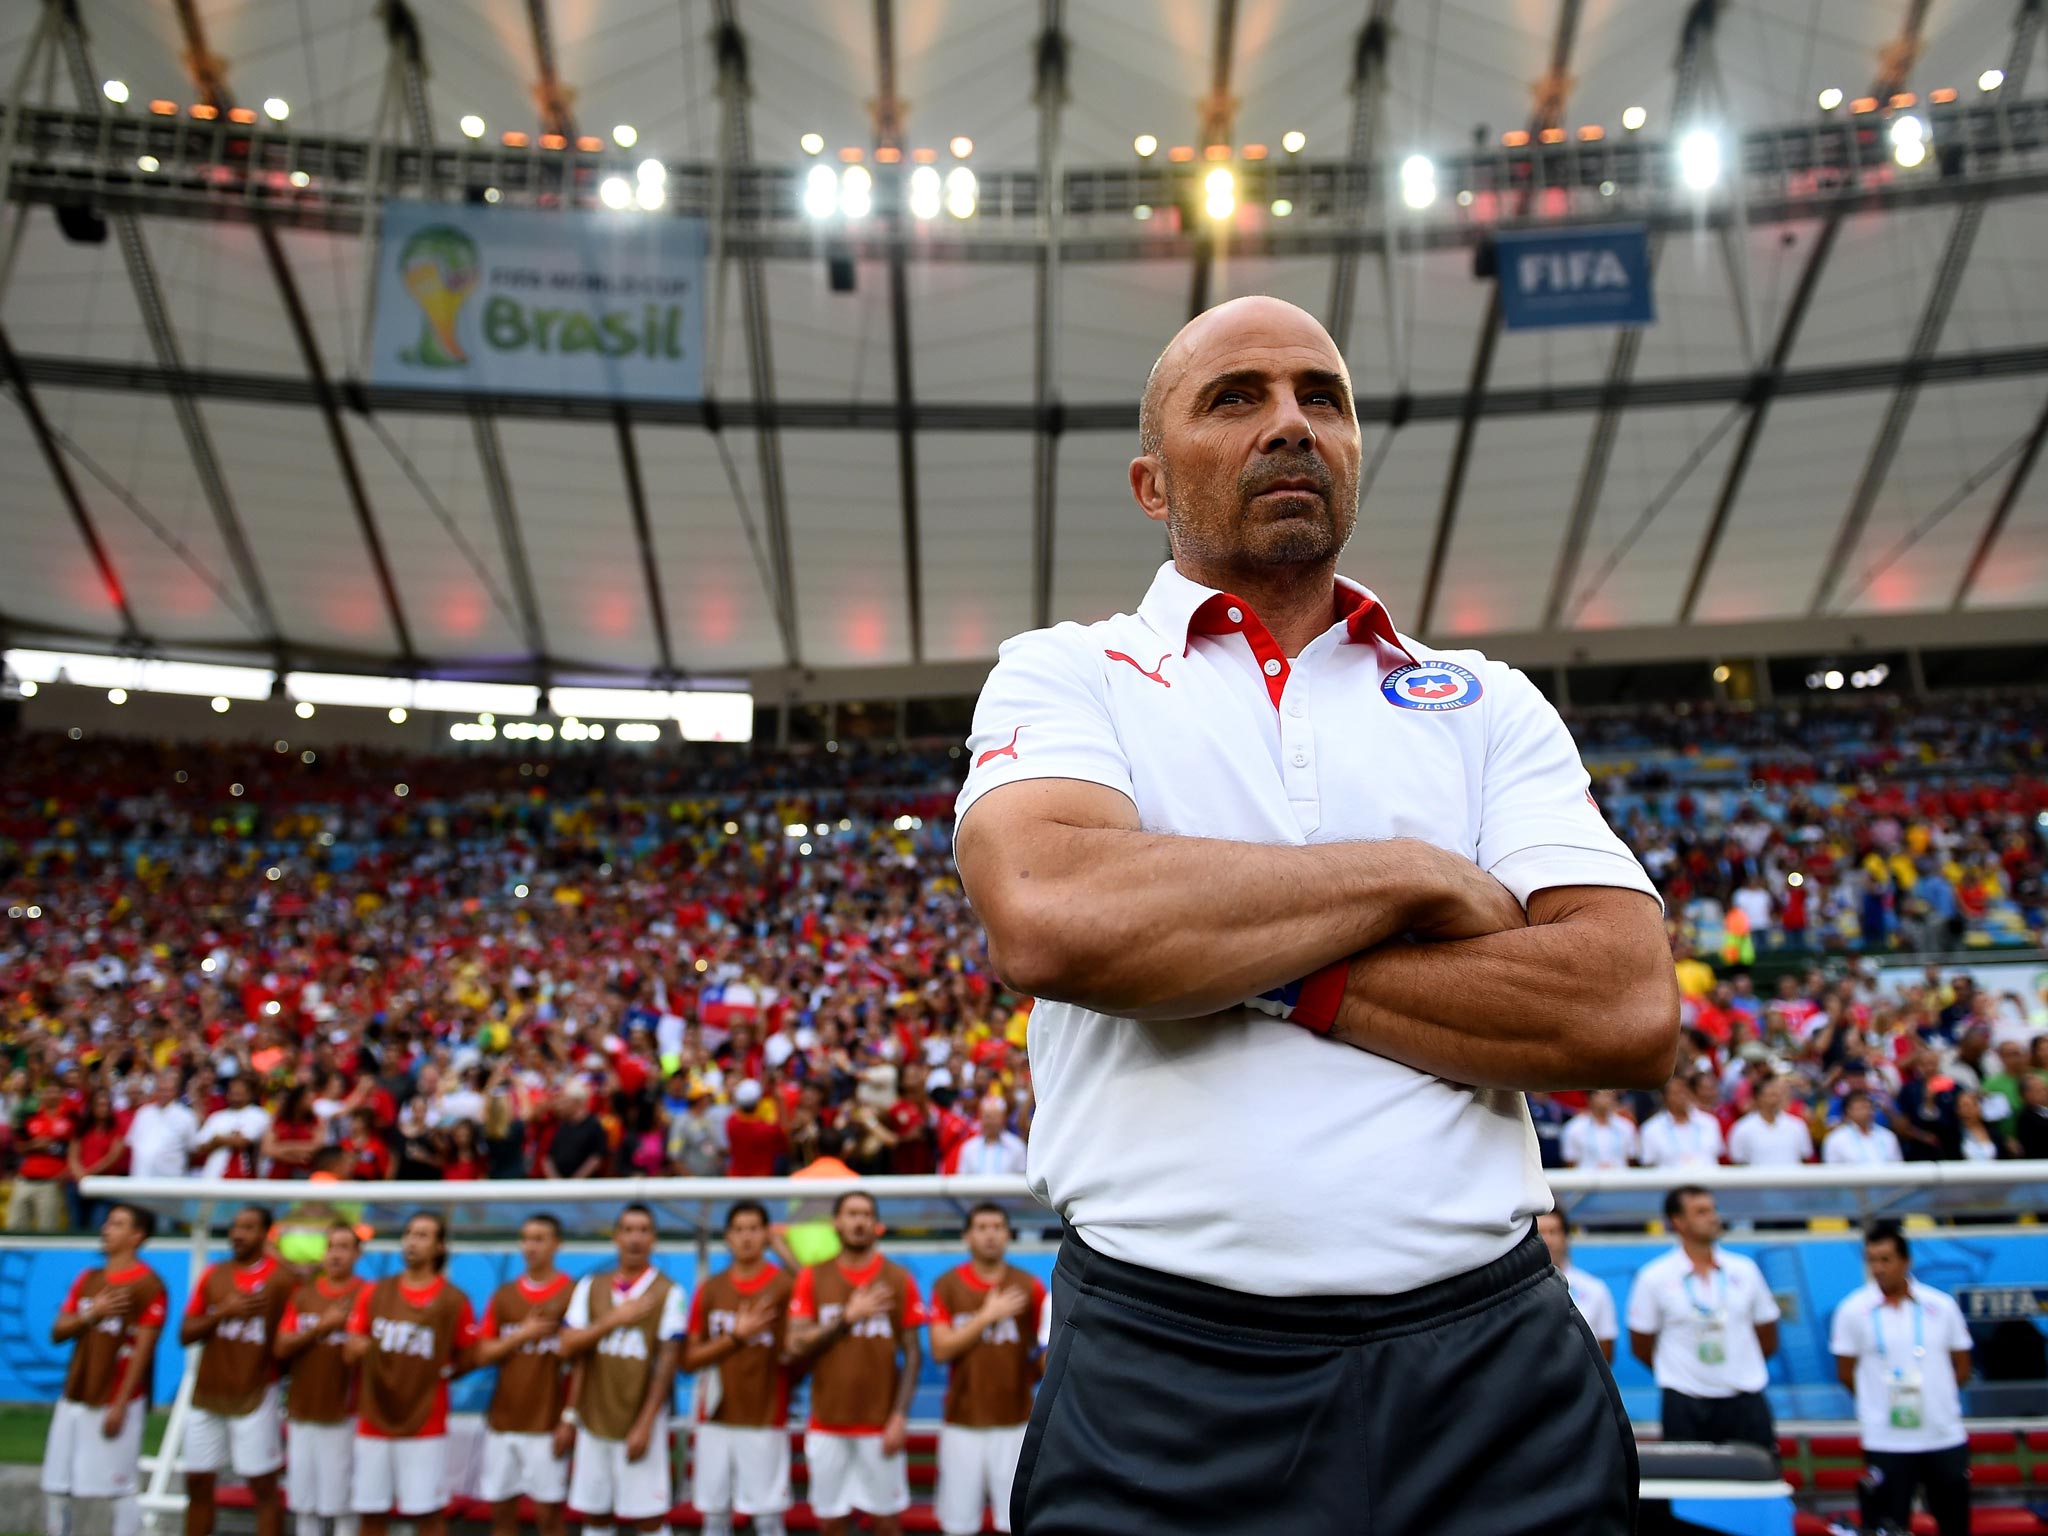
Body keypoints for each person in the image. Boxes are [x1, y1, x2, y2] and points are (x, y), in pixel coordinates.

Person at [953, 295, 1674, 1534]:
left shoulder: (1484, 701)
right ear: (1147, 481)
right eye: (1234, 398)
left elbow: (1619, 1005)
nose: (1288, 423)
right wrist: (1408, 874)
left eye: (1318, 397)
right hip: (1165, 1372)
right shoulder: (1064, 671)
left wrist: (1243, 963)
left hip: (1490, 1365)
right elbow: (1053, 919)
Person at [786, 1191, 925, 1536]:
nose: (859, 1221)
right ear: (836, 1222)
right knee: (831, 1520)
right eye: (851, 1214)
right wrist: (846, 1318)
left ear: (876, 1225)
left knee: (887, 1521)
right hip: (827, 1422)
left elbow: (913, 1353)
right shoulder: (812, 1277)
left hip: (879, 1423)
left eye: (865, 1214)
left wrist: (900, 1416)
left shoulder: (897, 1278)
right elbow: (796, 1343)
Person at [1829, 1225, 1974, 1536]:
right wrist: (1877, 1402)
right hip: (1886, 1439)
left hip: (1942, 1435)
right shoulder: (1852, 1310)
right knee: (1887, 1526)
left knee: (1954, 1523)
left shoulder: (1941, 1307)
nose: (1879, 1269)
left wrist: (1937, 1398)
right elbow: (1845, 1373)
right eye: (1872, 1261)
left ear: (1906, 1262)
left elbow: (1961, 1367)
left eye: (1886, 1260)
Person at [342, 1212, 478, 1536]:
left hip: (425, 1422)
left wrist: (439, 1372)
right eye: (409, 1234)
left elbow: (469, 1356)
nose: (413, 1242)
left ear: (440, 1245)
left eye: (423, 1235)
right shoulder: (375, 1292)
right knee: (371, 1512)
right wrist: (362, 1348)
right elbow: (349, 1351)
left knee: (427, 1513)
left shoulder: (454, 1300)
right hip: (373, 1419)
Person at [557, 1204, 686, 1536]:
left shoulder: (669, 1292)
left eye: (643, 1230)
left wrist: (645, 1424)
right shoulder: (590, 1286)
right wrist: (614, 1319)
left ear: (654, 1239)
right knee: (596, 1514)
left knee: (649, 1517)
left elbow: (667, 1364)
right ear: (615, 1237)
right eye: (628, 1230)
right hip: (593, 1418)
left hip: (641, 1419)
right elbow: (569, 1347)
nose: (635, 1238)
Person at [43, 1204, 168, 1536]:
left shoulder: (149, 1285)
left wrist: (121, 1404)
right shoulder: (89, 1279)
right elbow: (58, 1331)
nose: (106, 1228)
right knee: (57, 1484)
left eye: (117, 1224)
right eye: (108, 1222)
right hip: (75, 1393)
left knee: (120, 1488)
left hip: (115, 1398)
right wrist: (91, 1315)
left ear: (137, 1236)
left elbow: (144, 1350)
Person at [1626, 1187, 1780, 1452]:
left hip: (1745, 1400)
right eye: (1701, 1212)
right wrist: (1681, 1373)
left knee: (1758, 1484)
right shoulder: (1654, 1277)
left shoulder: (1745, 1270)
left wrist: (1736, 1368)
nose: (1713, 1217)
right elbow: (1641, 1344)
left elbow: (1768, 1335)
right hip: (1685, 1403)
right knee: (1690, 1488)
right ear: (1678, 1222)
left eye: (1713, 1209)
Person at [928, 1204, 1047, 1536]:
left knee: (1015, 1524)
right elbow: (940, 1350)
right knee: (958, 1524)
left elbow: (1043, 1357)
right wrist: (987, 1316)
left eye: (997, 1226)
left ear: (1008, 1235)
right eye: (981, 1227)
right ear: (967, 1236)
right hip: (962, 1422)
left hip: (1015, 1421)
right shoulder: (947, 1285)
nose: (991, 1233)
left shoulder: (1030, 1287)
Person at [180, 1204, 294, 1536]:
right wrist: (222, 1313)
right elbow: (186, 1334)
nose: (237, 1234)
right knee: (198, 1481)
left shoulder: (281, 1280)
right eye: (235, 1227)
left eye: (247, 1228)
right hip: (207, 1393)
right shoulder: (214, 1275)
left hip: (256, 1393)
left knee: (262, 1486)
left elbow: (290, 1336)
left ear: (265, 1234)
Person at [683, 1201, 794, 1536]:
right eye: (739, 1229)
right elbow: (688, 1360)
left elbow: (814, 1302)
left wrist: (785, 1252)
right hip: (715, 1416)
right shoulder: (711, 1289)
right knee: (715, 1516)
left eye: (754, 1229)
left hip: (766, 1415)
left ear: (766, 1234)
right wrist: (736, 1337)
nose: (747, 1237)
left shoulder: (784, 1285)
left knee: (768, 1518)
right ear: (728, 1237)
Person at [474, 1215, 575, 1536]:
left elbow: (583, 1362)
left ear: (557, 1244)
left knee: (549, 1517)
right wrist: (521, 1335)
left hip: (547, 1423)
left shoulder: (572, 1294)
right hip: (503, 1422)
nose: (531, 1246)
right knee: (502, 1515)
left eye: (540, 1238)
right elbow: (482, 1353)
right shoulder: (504, 1296)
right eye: (527, 1238)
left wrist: (569, 1418)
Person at [275, 1222, 370, 1536]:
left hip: (347, 1411)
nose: (336, 1255)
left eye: (344, 1247)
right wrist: (321, 1328)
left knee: (342, 1500)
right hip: (303, 1408)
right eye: (331, 1247)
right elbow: (281, 1346)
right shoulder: (304, 1295)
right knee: (304, 1498)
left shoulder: (368, 1294)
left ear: (358, 1253)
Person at [1536, 1210, 1616, 1364]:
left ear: (1565, 1237)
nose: (1548, 1240)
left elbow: (1605, 1350)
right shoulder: (1515, 1292)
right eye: (1540, 1233)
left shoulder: (1594, 1289)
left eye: (1554, 1232)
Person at [10, 1087, 76, 1230]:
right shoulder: (30, 1117)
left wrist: (65, 1174)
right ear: (41, 1096)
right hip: (25, 1179)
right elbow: (18, 1147)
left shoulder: (71, 1119)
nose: (51, 1095)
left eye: (55, 1091)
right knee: (14, 1227)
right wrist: (33, 1145)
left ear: (62, 1095)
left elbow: (76, 1150)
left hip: (51, 1182)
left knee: (48, 1229)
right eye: (47, 1091)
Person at [1638, 1078, 1725, 1171]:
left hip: (1708, 1181)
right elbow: (1648, 1164)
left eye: (1685, 1092)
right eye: (1676, 1093)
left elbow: (1718, 1155)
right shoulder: (1651, 1129)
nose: (1682, 1096)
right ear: (1665, 1098)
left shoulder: (1709, 1123)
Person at [195, 1076, 271, 1181]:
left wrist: (217, 1139)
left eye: (240, 1092)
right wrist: (226, 1138)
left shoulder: (259, 1114)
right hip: (214, 1178)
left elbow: (243, 1142)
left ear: (250, 1094)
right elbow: (199, 1146)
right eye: (232, 1092)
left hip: (245, 1181)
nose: (235, 1096)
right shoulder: (217, 1117)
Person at [1727, 1076, 1814, 1167]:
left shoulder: (1797, 1125)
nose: (1773, 1099)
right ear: (1757, 1098)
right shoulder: (1742, 1128)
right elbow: (1738, 1162)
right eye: (1769, 1094)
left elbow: (1805, 1158)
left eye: (1775, 1095)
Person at [126, 1074, 199, 1181]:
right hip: (140, 1178)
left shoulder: (187, 1116)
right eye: (161, 1090)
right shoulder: (143, 1112)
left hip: (169, 1182)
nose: (164, 1094)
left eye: (168, 1090)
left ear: (175, 1092)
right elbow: (132, 1143)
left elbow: (192, 1149)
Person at [1559, 1089, 1638, 1170]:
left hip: (1620, 1180)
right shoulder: (1574, 1128)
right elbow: (1570, 1163)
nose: (1607, 1099)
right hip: (1586, 1181)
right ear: (1590, 1097)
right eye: (1602, 1095)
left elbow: (1631, 1159)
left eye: (1610, 1095)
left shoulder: (1626, 1126)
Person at [542, 1083, 608, 1179]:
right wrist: (556, 1180)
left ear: (577, 1102)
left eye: (565, 1101)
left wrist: (575, 1181)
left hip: (584, 1187)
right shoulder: (561, 1125)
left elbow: (596, 1157)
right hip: (559, 1186)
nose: (561, 1106)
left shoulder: (594, 1126)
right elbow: (549, 1156)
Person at [951, 1097, 1028, 1177]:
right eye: (987, 1117)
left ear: (1004, 1118)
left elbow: (1022, 1179)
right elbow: (962, 1180)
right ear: (981, 1118)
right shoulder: (969, 1148)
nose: (991, 1122)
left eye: (995, 1117)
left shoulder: (1017, 1147)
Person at [1824, 1090, 1904, 1165]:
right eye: (1860, 1108)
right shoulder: (1836, 1138)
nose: (1865, 1111)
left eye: (1868, 1107)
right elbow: (1832, 1170)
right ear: (1848, 1112)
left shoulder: (1888, 1136)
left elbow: (1898, 1165)